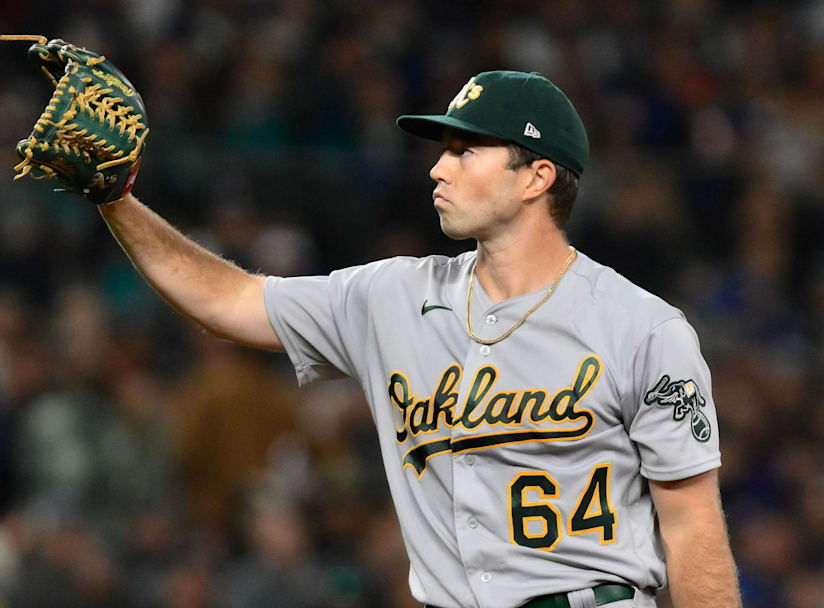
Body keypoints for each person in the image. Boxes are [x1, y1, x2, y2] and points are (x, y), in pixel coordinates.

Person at [66, 69, 742, 607]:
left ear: (537, 176)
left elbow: (692, 529)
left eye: (465, 149)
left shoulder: (641, 327)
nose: (437, 169)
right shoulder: (391, 296)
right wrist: (117, 199)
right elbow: (231, 299)